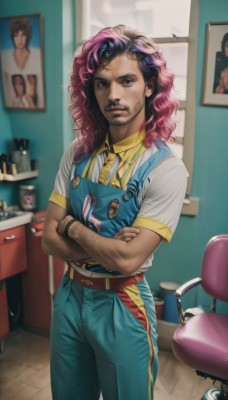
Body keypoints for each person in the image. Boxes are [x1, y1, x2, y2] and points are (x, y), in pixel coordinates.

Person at [42, 25, 187, 400]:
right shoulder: (77, 152)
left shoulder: (166, 168)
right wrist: (105, 246)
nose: (114, 95)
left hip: (122, 304)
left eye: (126, 80)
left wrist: (71, 227)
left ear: (150, 86)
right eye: (102, 84)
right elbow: (47, 238)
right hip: (70, 295)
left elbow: (127, 261)